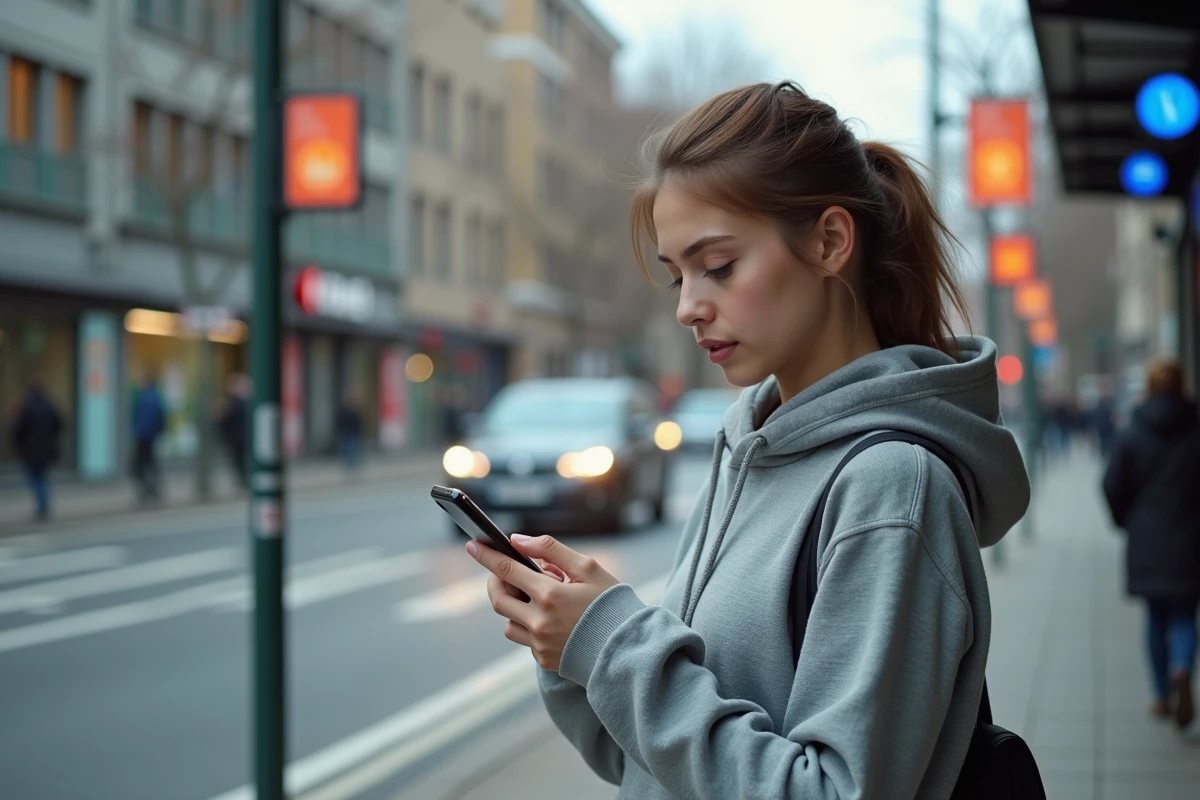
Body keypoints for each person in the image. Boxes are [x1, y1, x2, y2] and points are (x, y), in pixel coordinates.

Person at [465, 82, 1030, 797]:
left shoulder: (890, 486)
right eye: (677, 276)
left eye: (719, 266)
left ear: (829, 241)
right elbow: (649, 764)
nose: (688, 307)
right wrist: (573, 647)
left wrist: (614, 645)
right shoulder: (747, 447)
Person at [1102, 359, 1200, 730]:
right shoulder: (1196, 430)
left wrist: (1126, 520)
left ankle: (1161, 694)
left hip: (1147, 538)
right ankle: (1182, 667)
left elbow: (1112, 485)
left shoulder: (1132, 432)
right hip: (1191, 540)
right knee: (1184, 615)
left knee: (1155, 619)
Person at [10, 376, 63, 521]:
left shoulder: (27, 406)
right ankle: (44, 505)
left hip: (31, 450)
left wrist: (18, 446)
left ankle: (42, 507)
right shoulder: (50, 405)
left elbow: (19, 429)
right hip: (47, 449)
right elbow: (59, 424)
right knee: (42, 477)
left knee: (34, 477)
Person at [131, 370, 167, 503]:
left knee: (142, 464)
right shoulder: (145, 395)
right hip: (144, 435)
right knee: (148, 464)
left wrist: (156, 432)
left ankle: (151, 489)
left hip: (146, 436)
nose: (139, 382)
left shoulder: (150, 397)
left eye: (141, 379)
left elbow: (159, 416)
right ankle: (151, 489)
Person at [216, 373, 250, 491]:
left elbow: (225, 421)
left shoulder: (234, 403)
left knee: (239, 461)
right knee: (240, 461)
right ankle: (243, 480)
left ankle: (243, 480)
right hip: (241, 437)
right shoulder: (243, 401)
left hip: (237, 437)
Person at [336, 387, 364, 476]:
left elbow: (359, 422)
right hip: (346, 433)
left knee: (353, 451)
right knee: (347, 451)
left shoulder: (355, 410)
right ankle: (348, 468)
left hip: (353, 434)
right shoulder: (345, 410)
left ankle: (352, 468)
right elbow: (340, 422)